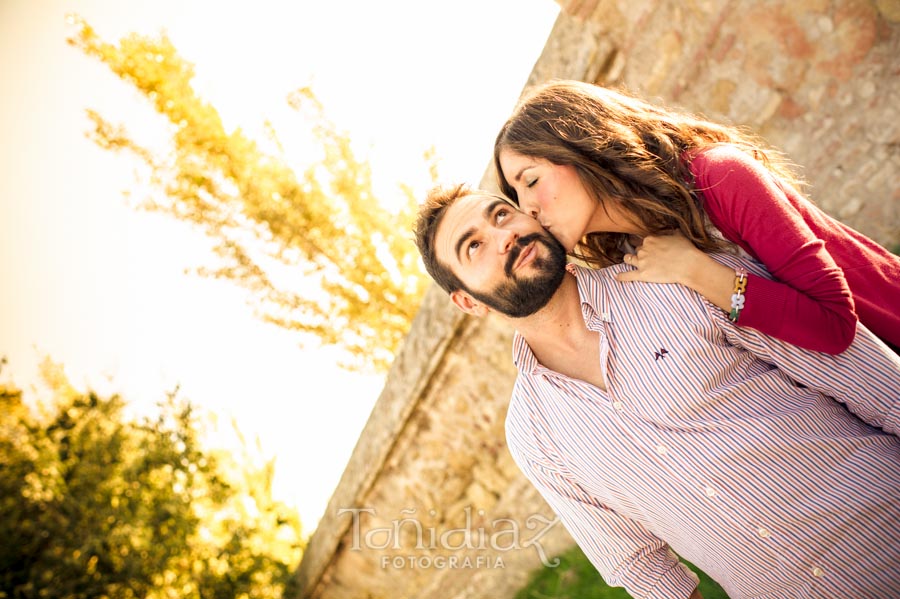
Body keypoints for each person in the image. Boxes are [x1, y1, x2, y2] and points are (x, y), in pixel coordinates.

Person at [413, 183, 900, 599]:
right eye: (473, 246)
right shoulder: (532, 434)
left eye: (502, 214)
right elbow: (640, 568)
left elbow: (875, 383)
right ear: (465, 301)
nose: (503, 236)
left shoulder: (680, 279)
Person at [493, 79, 900, 355]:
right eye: (516, 193)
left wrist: (697, 272)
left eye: (530, 181)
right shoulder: (625, 257)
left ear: (579, 150)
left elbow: (834, 324)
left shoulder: (718, 176)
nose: (526, 207)